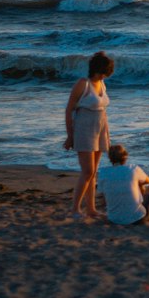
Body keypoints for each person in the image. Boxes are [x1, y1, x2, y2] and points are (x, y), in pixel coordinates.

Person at [64, 50, 114, 219]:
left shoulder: (102, 83)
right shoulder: (83, 84)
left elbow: (102, 108)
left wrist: (106, 133)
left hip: (100, 127)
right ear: (99, 70)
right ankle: (75, 209)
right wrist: (70, 136)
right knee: (87, 171)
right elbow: (69, 109)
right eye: (106, 71)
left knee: (94, 172)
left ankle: (91, 209)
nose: (106, 75)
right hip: (84, 128)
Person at [98, 143, 149, 225]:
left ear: (110, 158)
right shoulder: (132, 169)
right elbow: (148, 181)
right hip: (138, 218)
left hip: (113, 220)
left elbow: (103, 198)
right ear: (125, 156)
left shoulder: (103, 172)